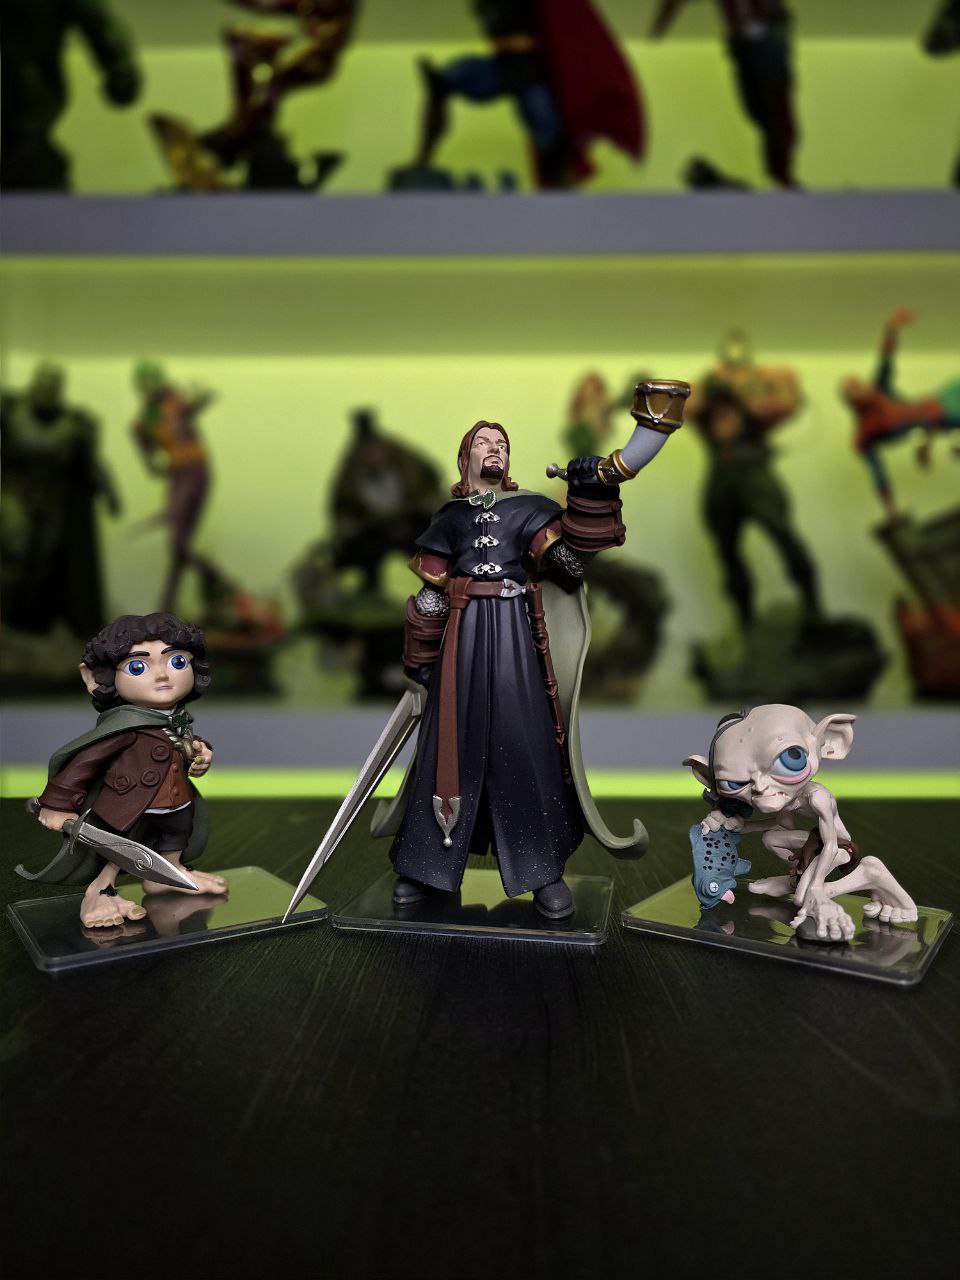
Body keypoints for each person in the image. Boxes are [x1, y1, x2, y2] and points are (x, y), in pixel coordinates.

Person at [374, 421, 653, 919]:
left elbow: (570, 563)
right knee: (448, 747)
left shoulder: (529, 509)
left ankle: (541, 870)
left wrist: (589, 493)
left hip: (512, 639)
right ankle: (424, 867)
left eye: (501, 443)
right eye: (484, 442)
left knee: (521, 742)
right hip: (460, 642)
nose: (495, 448)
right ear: (465, 457)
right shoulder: (450, 517)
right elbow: (432, 593)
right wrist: (420, 662)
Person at [17, 613, 226, 928]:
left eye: (177, 662)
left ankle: (167, 875)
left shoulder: (176, 718)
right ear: (95, 678)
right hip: (130, 807)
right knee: (119, 852)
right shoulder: (123, 728)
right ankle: (101, 891)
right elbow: (83, 763)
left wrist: (199, 753)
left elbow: (181, 744)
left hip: (176, 802)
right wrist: (56, 804)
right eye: (138, 667)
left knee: (176, 837)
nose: (162, 675)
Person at [407, 0, 644, 188]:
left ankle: (562, 182)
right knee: (441, 82)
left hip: (529, 70)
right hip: (501, 66)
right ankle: (422, 160)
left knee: (546, 129)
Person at [687, 331, 820, 630]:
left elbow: (787, 405)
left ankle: (814, 608)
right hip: (722, 479)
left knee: (783, 536)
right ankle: (745, 623)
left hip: (755, 476)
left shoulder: (757, 399)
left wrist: (750, 392)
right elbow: (683, 408)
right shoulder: (705, 402)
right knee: (727, 552)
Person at [0, 362, 121, 636]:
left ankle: (36, 622)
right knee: (14, 550)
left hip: (52, 498)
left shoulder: (73, 425)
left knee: (47, 559)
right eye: (42, 386)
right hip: (15, 493)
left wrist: (110, 494)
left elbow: (91, 463)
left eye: (51, 388)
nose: (45, 393)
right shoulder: (11, 413)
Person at [650, 0, 798, 188]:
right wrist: (661, 23)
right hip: (747, 45)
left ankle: (782, 174)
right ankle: (780, 173)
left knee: (776, 111)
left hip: (764, 39)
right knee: (762, 112)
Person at [840, 309, 960, 521]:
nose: (863, 388)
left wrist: (891, 330)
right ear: (850, 401)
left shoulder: (879, 390)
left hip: (938, 403)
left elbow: (885, 360)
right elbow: (879, 475)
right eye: (855, 389)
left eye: (860, 384)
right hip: (941, 416)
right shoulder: (865, 433)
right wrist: (891, 512)